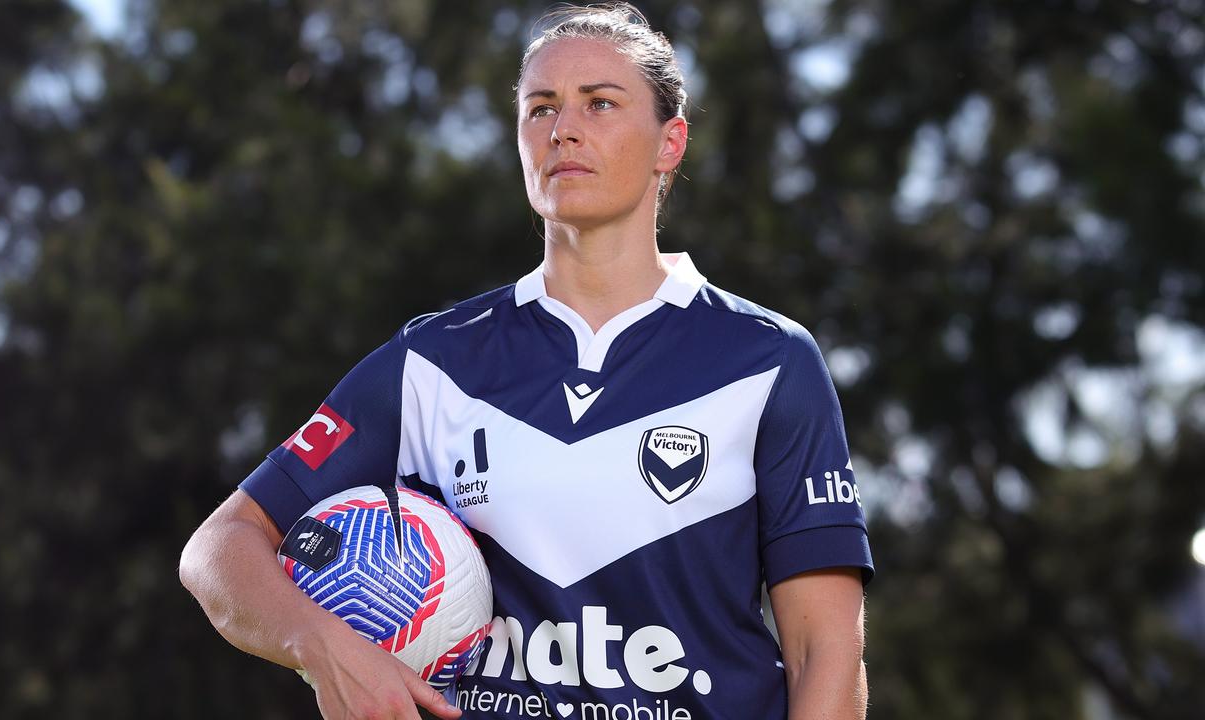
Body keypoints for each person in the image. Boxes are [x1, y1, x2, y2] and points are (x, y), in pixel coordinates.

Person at [179, 4, 873, 719]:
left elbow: (826, 651)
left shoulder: (767, 360)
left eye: (599, 103)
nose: (562, 128)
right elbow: (218, 550)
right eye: (540, 108)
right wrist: (324, 645)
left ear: (671, 143)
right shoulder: (433, 361)